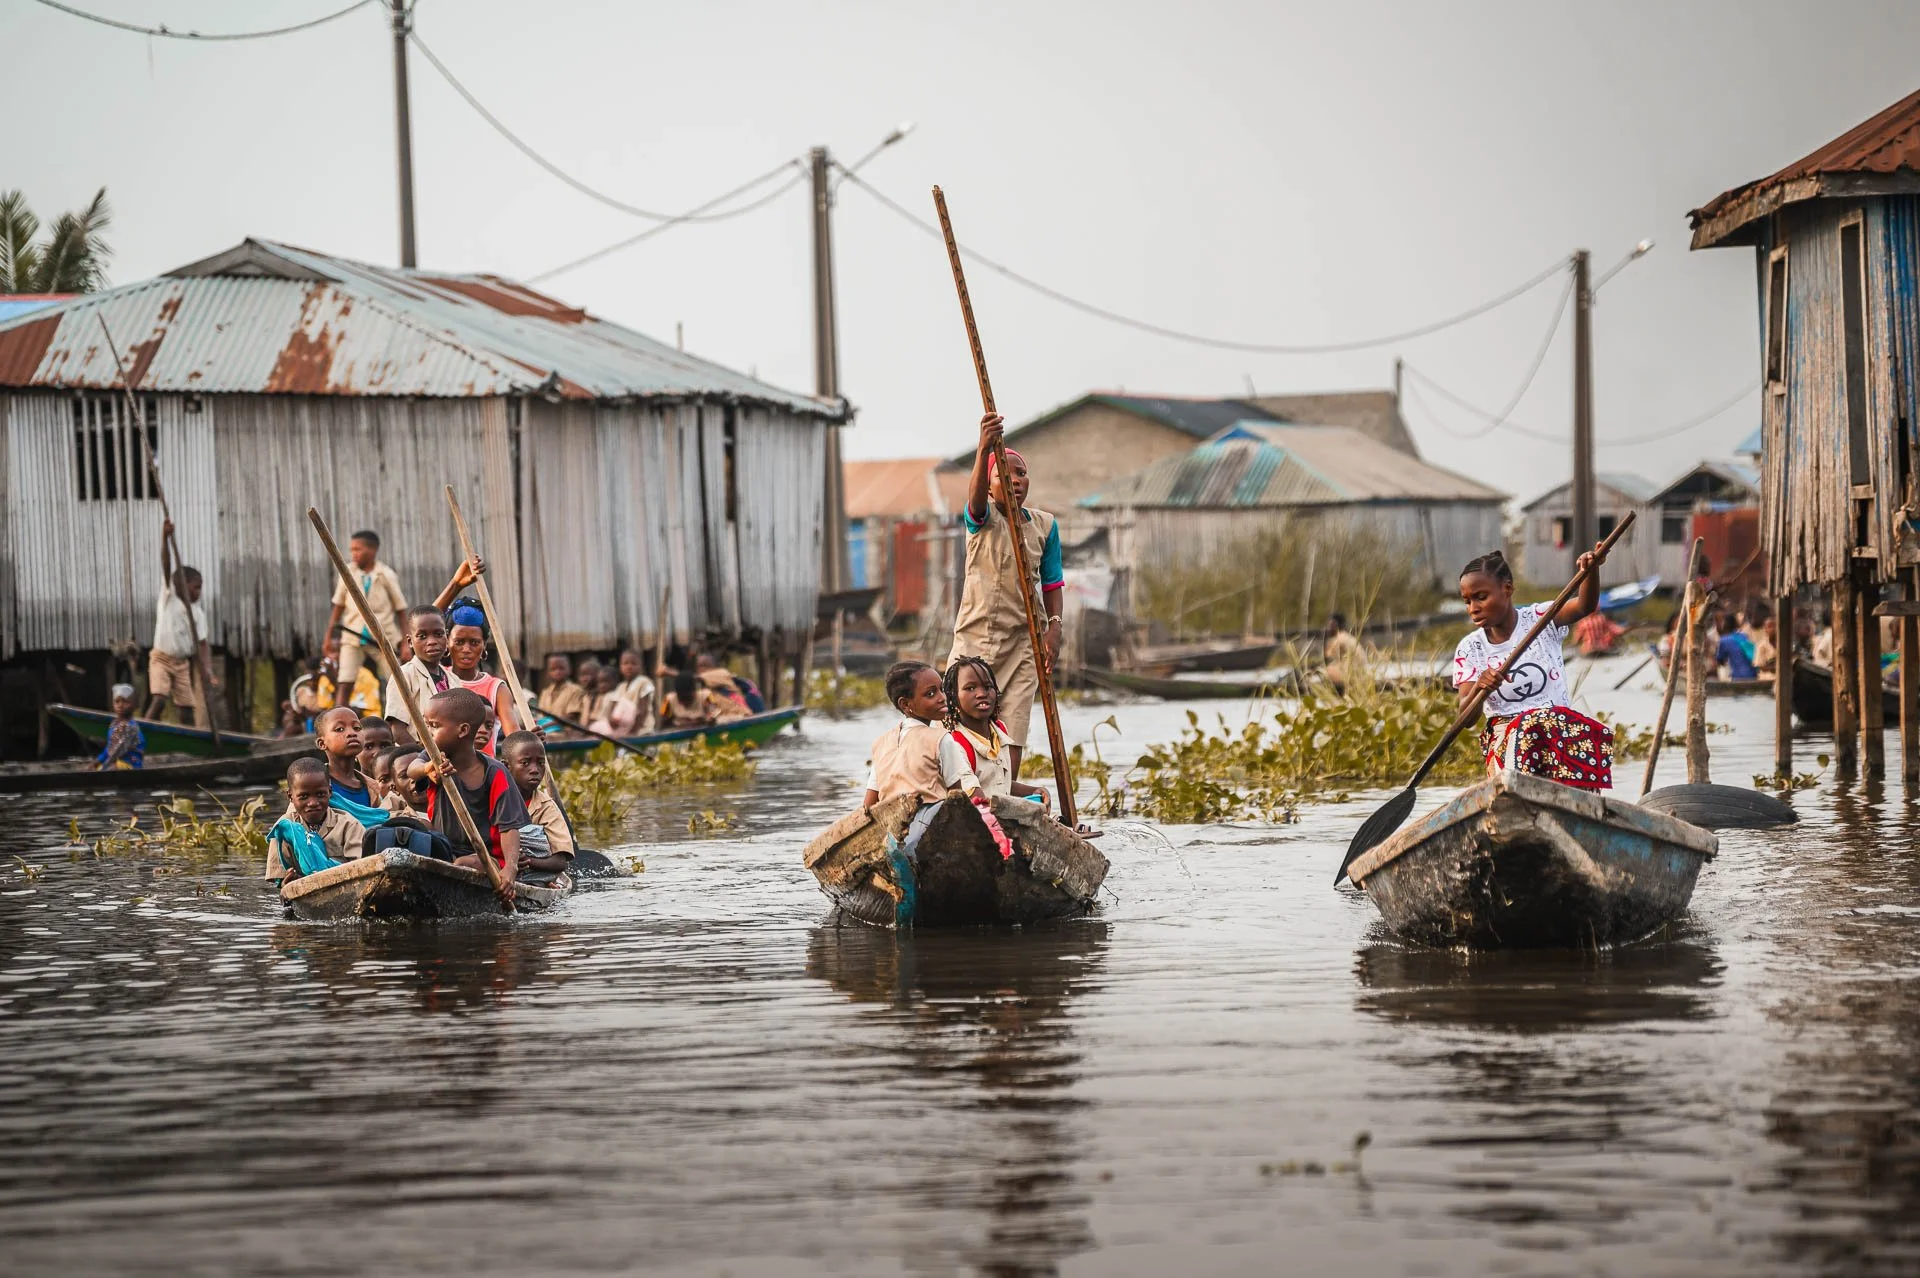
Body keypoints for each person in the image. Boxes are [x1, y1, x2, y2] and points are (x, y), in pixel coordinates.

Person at [950, 413, 1064, 780]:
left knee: (1014, 720)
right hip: (977, 637)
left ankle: (1005, 790)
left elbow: (1051, 583)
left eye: (1021, 474)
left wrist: (1054, 627)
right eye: (1004, 475)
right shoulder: (981, 518)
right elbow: (975, 500)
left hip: (1025, 640)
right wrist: (984, 447)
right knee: (963, 716)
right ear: (988, 484)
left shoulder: (1044, 525)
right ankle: (964, 786)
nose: (1015, 481)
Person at [1454, 546, 1614, 790]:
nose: (1473, 608)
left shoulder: (1540, 619)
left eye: (1481, 597)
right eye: (1467, 601)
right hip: (1508, 738)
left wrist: (1590, 572)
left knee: (1583, 730)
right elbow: (1465, 718)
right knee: (1527, 726)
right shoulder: (1470, 648)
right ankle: (1517, 794)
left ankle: (1582, 803)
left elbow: (1584, 606)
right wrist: (1479, 687)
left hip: (1556, 731)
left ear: (1507, 589)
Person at [408, 688, 528, 893]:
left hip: (486, 856)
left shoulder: (494, 772)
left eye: (433, 726)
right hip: (443, 848)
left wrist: (510, 868)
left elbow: (508, 827)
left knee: (464, 864)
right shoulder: (432, 758)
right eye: (426, 725)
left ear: (463, 730)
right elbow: (412, 770)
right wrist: (428, 769)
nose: (425, 732)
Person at [943, 656, 1053, 809]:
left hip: (1000, 812)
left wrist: (1036, 791)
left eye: (988, 687)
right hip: (978, 820)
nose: (982, 694)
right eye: (970, 688)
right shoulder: (956, 744)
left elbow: (1001, 785)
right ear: (953, 697)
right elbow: (977, 799)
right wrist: (1021, 808)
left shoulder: (999, 729)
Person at [862, 661, 964, 810]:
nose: (942, 697)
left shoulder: (880, 743)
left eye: (941, 690)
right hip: (933, 826)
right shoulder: (941, 739)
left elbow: (868, 805)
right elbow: (958, 799)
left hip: (893, 829)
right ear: (905, 704)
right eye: (930, 694)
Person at [147, 519, 217, 726]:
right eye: (195, 587)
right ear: (182, 585)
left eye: (200, 588)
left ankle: (186, 745)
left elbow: (203, 644)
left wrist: (207, 669)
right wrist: (165, 538)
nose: (199, 592)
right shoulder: (170, 598)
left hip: (182, 664)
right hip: (161, 658)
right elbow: (166, 565)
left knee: (187, 709)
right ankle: (139, 734)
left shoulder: (198, 613)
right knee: (159, 699)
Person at [324, 529, 407, 694]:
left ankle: (404, 718)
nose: (353, 554)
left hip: (383, 637)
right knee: (345, 682)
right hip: (352, 634)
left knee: (397, 681)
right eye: (352, 550)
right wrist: (328, 637)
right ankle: (339, 718)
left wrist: (405, 643)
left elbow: (401, 610)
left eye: (357, 549)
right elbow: (338, 606)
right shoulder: (347, 572)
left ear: (372, 550)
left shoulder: (386, 575)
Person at [265, 757, 362, 882]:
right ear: (290, 796)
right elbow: (279, 879)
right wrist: (290, 881)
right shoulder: (283, 829)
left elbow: (362, 869)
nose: (313, 803)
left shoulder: (349, 825)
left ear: (330, 792)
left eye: (320, 794)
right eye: (304, 796)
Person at [500, 731, 575, 880]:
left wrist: (527, 861)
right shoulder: (493, 797)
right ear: (506, 766)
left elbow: (560, 862)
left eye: (540, 763)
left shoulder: (546, 807)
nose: (534, 770)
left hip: (530, 873)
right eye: (525, 763)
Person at [445, 601, 519, 751]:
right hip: (444, 771)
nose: (466, 649)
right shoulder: (437, 678)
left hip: (485, 773)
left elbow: (513, 738)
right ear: (447, 642)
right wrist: (455, 585)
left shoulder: (497, 689)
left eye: (474, 642)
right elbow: (421, 626)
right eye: (459, 642)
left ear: (484, 645)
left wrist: (527, 741)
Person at [384, 605, 458, 739]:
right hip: (416, 755)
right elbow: (397, 731)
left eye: (438, 634)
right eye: (422, 636)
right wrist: (424, 758)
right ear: (410, 642)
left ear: (446, 637)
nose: (431, 641)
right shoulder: (403, 676)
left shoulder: (453, 680)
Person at [599, 648, 657, 735]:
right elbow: (612, 706)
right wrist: (611, 719)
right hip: (623, 729)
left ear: (640, 666)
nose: (629, 667)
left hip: (642, 729)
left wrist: (633, 732)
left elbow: (643, 710)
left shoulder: (645, 682)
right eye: (625, 663)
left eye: (634, 664)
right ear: (620, 667)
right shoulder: (621, 687)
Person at [663, 669, 742, 727]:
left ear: (695, 692)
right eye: (682, 699)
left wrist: (709, 719)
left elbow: (714, 713)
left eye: (688, 698)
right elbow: (663, 723)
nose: (685, 702)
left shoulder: (705, 696)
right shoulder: (669, 700)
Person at [94, 684, 145, 770]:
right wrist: (97, 761)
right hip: (116, 761)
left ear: (134, 705)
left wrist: (104, 766)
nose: (120, 705)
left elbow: (117, 751)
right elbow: (109, 748)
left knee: (109, 769)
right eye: (117, 701)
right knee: (97, 768)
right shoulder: (114, 725)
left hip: (131, 764)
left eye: (125, 702)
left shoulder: (130, 728)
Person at [536, 653, 590, 727]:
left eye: (561, 668)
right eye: (553, 669)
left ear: (569, 669)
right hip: (546, 731)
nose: (557, 672)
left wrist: (546, 725)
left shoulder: (576, 690)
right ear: (548, 672)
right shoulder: (545, 692)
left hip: (566, 732)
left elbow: (571, 716)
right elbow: (541, 716)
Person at [1322, 614, 1365, 686]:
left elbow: (1327, 656)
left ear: (1335, 625)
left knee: (1327, 670)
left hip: (1352, 672)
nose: (1328, 628)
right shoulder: (1348, 636)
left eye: (1330, 625)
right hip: (1360, 671)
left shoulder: (1338, 639)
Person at [1716, 612, 1759, 680]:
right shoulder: (1743, 636)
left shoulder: (1724, 640)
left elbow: (1720, 660)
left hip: (1738, 677)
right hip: (1753, 674)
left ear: (1724, 624)